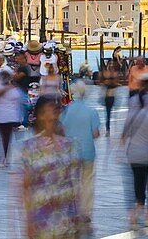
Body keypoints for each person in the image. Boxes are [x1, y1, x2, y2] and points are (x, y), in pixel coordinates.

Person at [19, 95, 80, 239]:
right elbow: (25, 187)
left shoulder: (69, 146)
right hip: (41, 220)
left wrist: (78, 214)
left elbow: (76, 184)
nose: (51, 116)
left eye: (54, 111)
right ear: (39, 115)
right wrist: (28, 223)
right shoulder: (29, 147)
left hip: (66, 220)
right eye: (46, 111)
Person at [121, 73, 148, 228]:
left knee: (137, 185)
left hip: (133, 153)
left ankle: (134, 216)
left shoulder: (132, 104)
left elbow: (125, 132)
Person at [60, 81, 101, 234]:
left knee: (72, 183)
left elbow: (62, 130)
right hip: (88, 152)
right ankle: (85, 212)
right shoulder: (91, 111)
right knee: (87, 183)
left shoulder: (67, 111)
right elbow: (96, 134)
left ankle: (72, 212)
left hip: (70, 152)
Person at [0, 67, 24, 165]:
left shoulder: (2, 86)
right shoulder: (9, 88)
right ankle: (4, 156)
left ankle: (4, 156)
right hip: (8, 115)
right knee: (6, 137)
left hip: (5, 115)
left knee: (5, 136)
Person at [99, 61, 120, 135]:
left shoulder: (114, 74)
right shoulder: (105, 73)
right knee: (108, 113)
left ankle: (110, 128)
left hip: (112, 95)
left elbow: (116, 83)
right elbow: (101, 83)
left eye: (112, 64)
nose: (111, 65)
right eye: (109, 64)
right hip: (107, 96)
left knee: (111, 113)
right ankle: (108, 128)